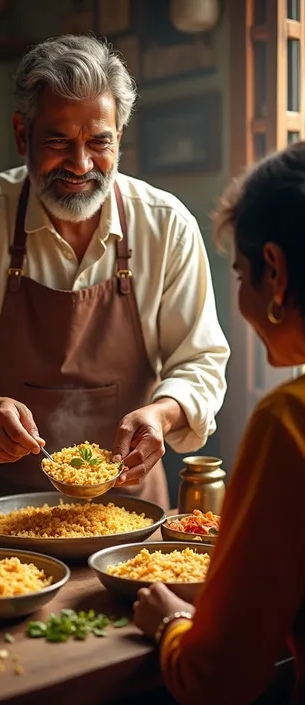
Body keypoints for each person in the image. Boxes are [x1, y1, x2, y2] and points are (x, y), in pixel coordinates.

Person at [0, 34, 229, 517]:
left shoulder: (166, 225)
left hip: (128, 514)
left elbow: (200, 362)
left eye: (99, 142)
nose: (80, 164)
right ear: (21, 134)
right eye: (58, 141)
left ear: (119, 137)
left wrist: (162, 414)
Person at [133, 141, 305, 705]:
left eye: (239, 273)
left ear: (273, 271)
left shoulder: (288, 421)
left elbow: (218, 679)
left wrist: (170, 623)